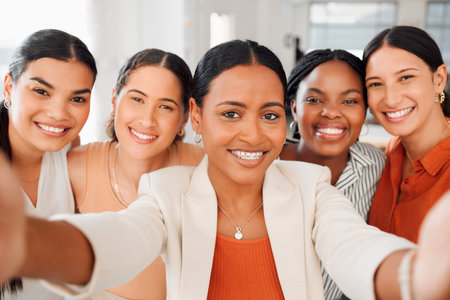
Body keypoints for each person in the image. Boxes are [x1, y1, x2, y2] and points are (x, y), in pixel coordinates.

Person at [0, 40, 449, 300]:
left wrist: (419, 274)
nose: (253, 136)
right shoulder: (164, 191)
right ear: (197, 117)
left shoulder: (311, 189)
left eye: (270, 116)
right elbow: (118, 239)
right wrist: (28, 244)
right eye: (231, 114)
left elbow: (353, 247)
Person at [68, 48, 204, 299]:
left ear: (185, 118)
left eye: (165, 106)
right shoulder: (76, 167)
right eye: (137, 99)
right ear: (114, 100)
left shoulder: (203, 168)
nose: (148, 120)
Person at [280, 49, 385, 300]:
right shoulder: (265, 168)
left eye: (349, 101)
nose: (331, 112)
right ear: (294, 107)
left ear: (364, 111)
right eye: (315, 100)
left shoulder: (377, 165)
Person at [0, 29, 96, 299]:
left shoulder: (69, 149)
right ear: (9, 87)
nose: (59, 114)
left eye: (77, 99)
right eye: (41, 91)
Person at [364, 25, 450, 243]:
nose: (391, 99)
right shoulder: (393, 150)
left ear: (438, 79)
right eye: (375, 84)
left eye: (405, 78)